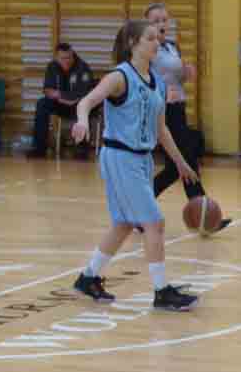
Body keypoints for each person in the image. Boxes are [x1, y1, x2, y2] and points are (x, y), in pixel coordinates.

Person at [71, 19, 200, 311]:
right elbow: (86, 102)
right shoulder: (120, 77)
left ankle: (87, 278)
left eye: (158, 38)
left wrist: (180, 162)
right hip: (120, 156)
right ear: (133, 43)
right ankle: (162, 292)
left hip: (142, 159)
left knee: (124, 223)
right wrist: (82, 121)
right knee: (154, 222)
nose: (157, 43)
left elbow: (161, 129)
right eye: (150, 38)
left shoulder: (157, 82)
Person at [144, 2, 231, 232]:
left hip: (178, 108)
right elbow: (143, 79)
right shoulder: (146, 49)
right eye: (155, 20)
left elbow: (176, 79)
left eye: (164, 19)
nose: (161, 24)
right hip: (162, 110)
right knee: (187, 160)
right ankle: (206, 215)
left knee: (175, 168)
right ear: (147, 25)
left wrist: (185, 74)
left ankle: (138, 211)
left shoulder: (172, 47)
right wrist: (163, 92)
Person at [27, 43, 97, 159]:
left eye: (68, 57)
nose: (66, 61)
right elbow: (48, 90)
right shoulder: (52, 66)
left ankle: (81, 148)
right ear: (56, 57)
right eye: (62, 58)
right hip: (60, 103)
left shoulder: (83, 68)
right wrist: (62, 97)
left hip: (78, 104)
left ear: (73, 55)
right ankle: (39, 148)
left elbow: (85, 93)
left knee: (84, 106)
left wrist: (64, 96)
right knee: (42, 104)